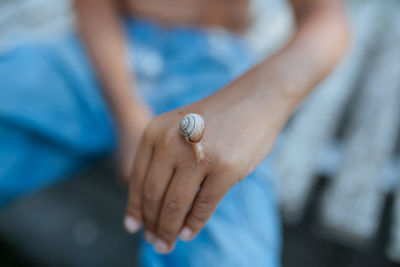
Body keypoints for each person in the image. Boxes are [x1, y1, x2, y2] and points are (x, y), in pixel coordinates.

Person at [0, 0, 350, 266]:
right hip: (106, 46)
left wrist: (262, 103)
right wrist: (128, 114)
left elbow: (327, 20)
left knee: (226, 246)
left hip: (214, 65)